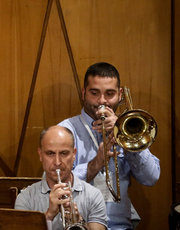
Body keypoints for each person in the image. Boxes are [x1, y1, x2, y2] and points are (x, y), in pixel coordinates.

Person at [58, 62, 160, 230]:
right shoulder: (65, 131)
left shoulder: (129, 128)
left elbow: (151, 177)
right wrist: (95, 164)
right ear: (84, 93)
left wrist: (125, 139)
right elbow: (55, 184)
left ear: (120, 95)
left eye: (110, 93)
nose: (102, 101)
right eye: (94, 93)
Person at [15, 126, 107, 230]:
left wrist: (80, 221)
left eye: (64, 153)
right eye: (50, 154)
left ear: (74, 154)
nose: (57, 162)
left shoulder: (93, 195)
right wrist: (48, 216)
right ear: (40, 155)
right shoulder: (25, 198)